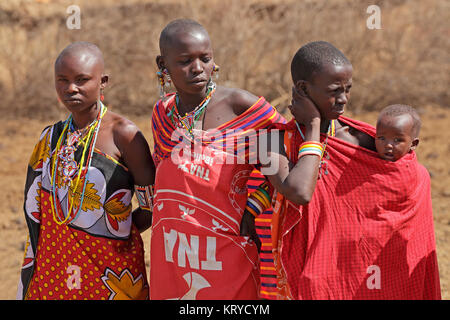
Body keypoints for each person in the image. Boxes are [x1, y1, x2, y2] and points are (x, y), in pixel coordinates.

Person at [266, 41, 441, 299]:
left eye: (348, 89)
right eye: (335, 90)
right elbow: (299, 191)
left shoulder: (361, 138)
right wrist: (314, 126)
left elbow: (408, 177)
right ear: (302, 89)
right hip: (308, 274)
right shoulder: (268, 141)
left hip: (361, 275)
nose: (344, 99)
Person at [149, 19, 286, 300]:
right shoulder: (162, 114)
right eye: (185, 61)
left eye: (205, 58)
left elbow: (284, 160)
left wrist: (253, 209)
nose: (198, 68)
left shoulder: (243, 108)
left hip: (227, 244)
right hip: (174, 248)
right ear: (163, 65)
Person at [17, 42, 155, 300]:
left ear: (103, 81)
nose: (71, 88)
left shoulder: (125, 136)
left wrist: (112, 234)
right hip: (53, 267)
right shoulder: (51, 137)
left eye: (82, 80)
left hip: (110, 270)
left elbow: (153, 208)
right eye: (63, 80)